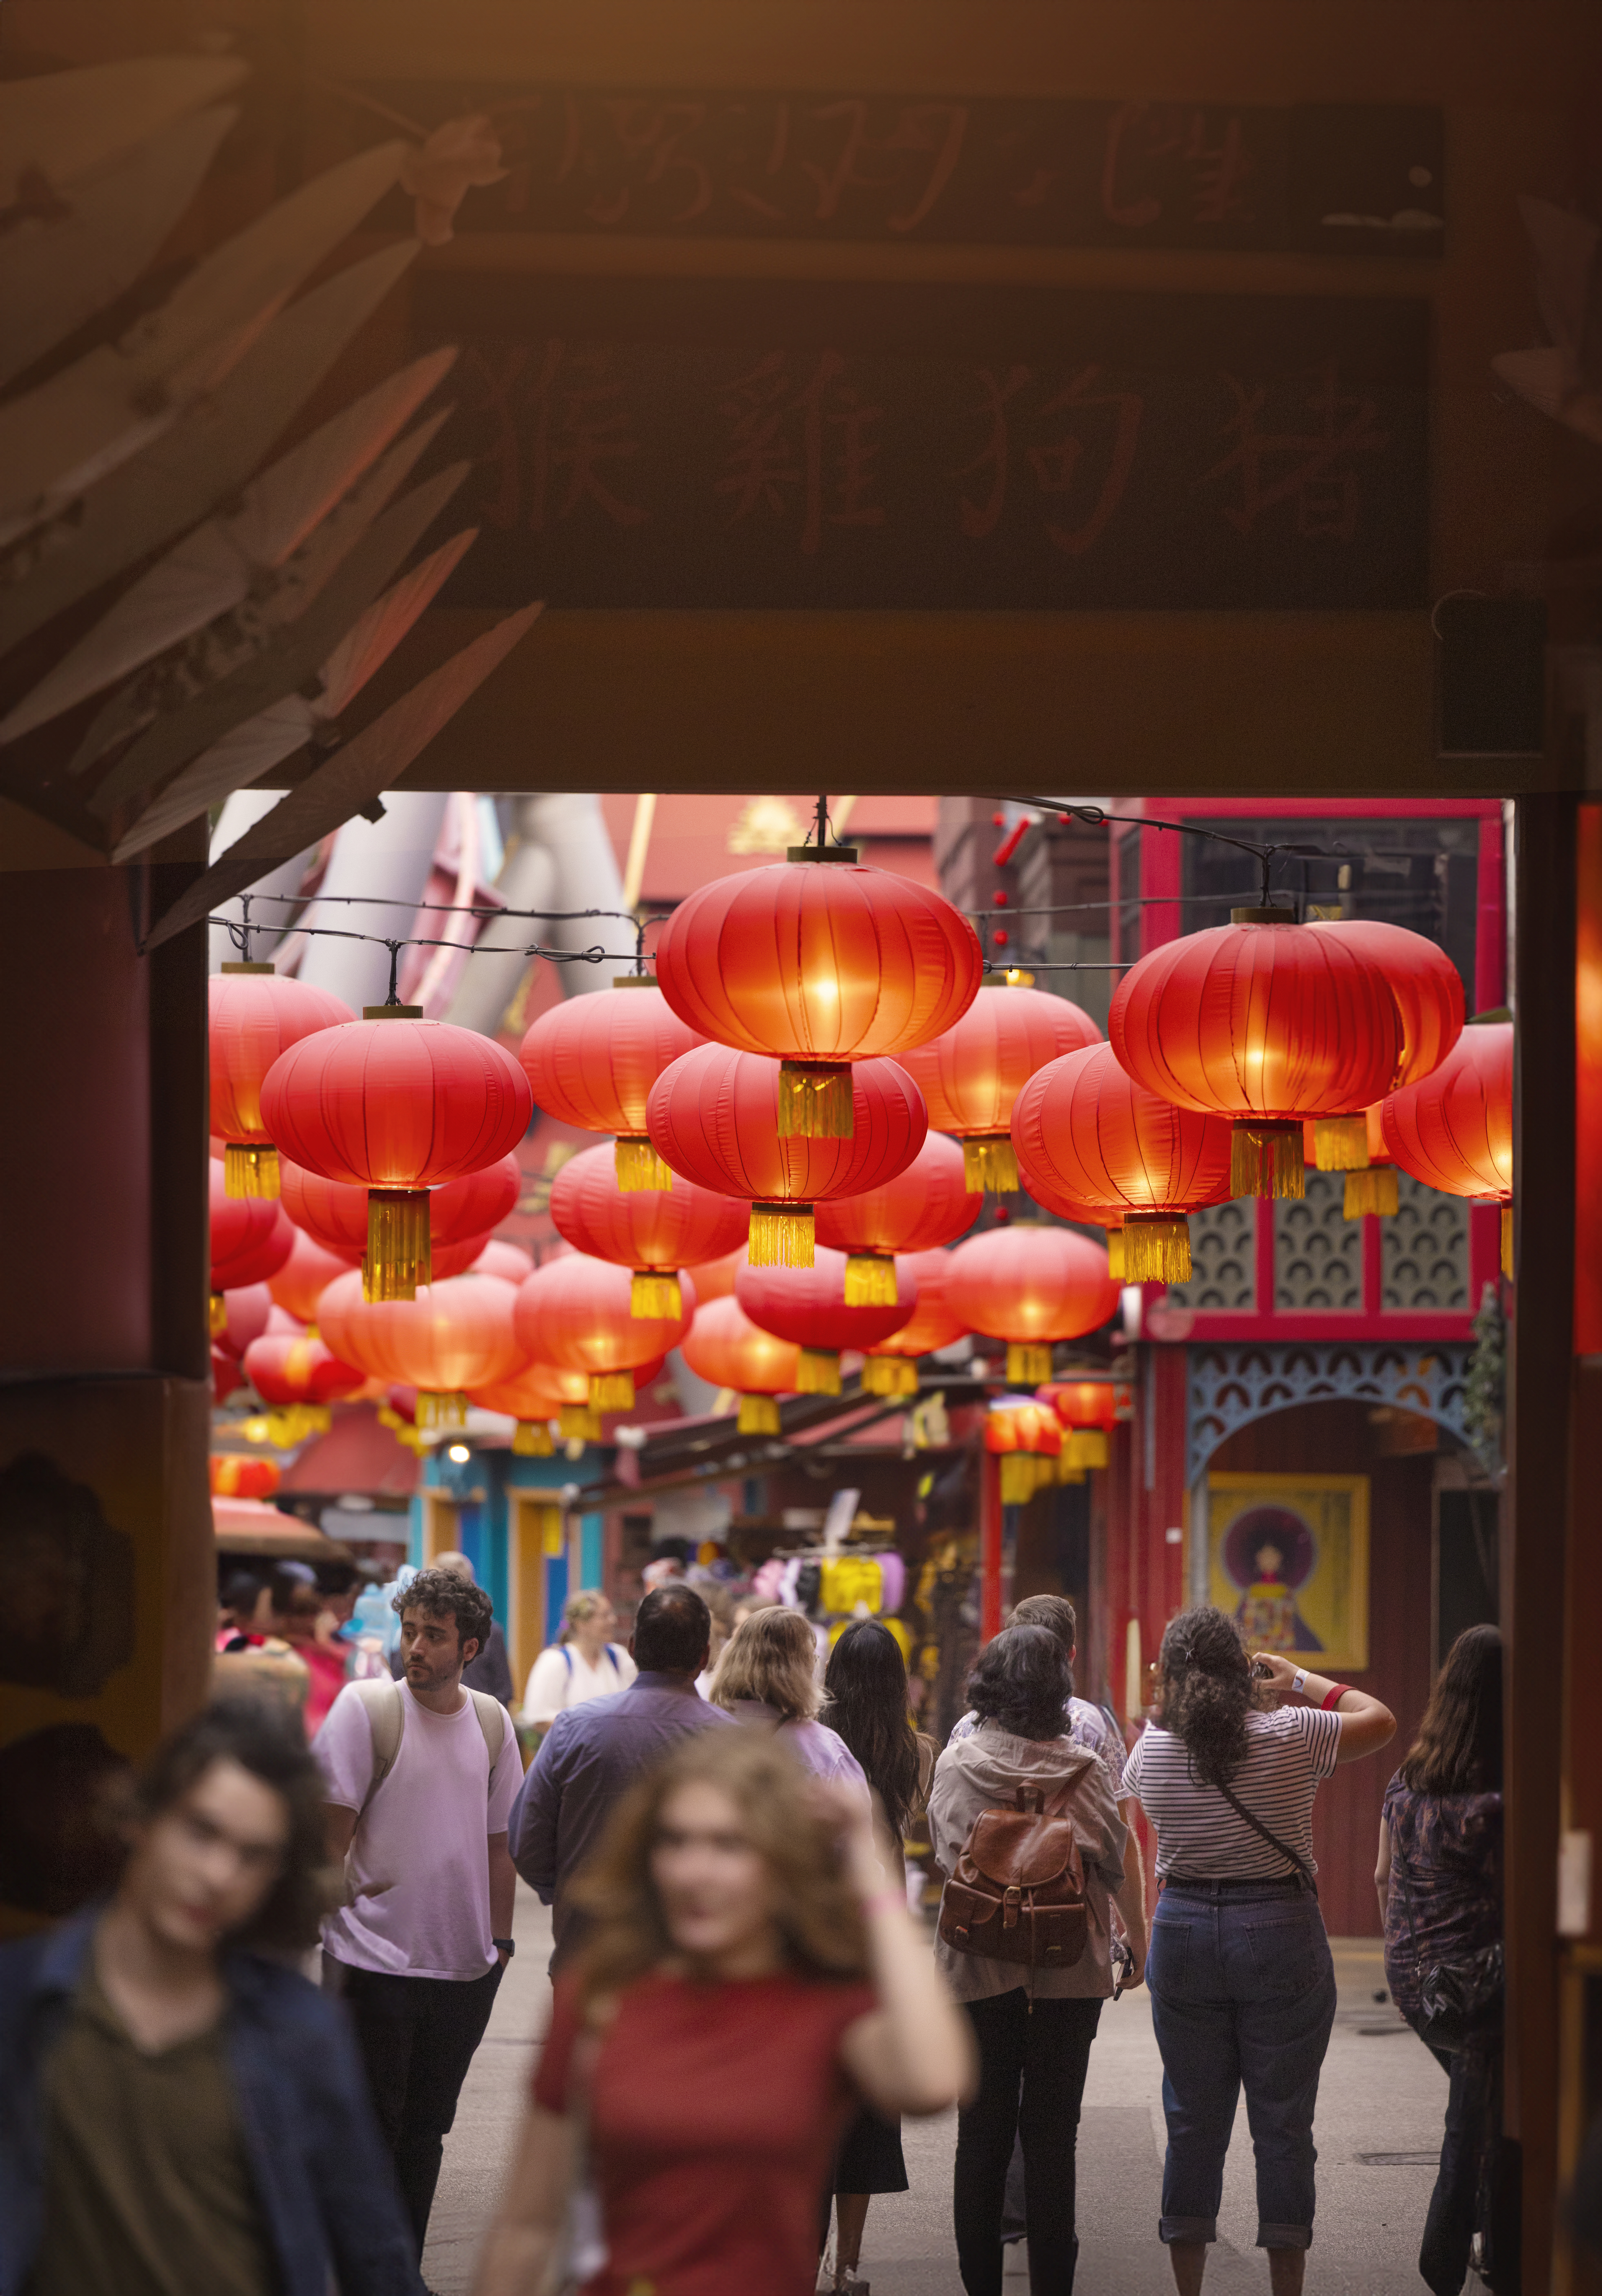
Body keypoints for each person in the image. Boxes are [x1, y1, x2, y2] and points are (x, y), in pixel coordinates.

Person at [472, 1725, 975, 2296]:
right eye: (676, 1841)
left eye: (728, 1845)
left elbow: (934, 2078)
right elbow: (528, 2225)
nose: (694, 1871)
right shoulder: (603, 1993)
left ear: (779, 1862)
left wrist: (867, 1870)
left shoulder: (822, 2000)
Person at [0, 1697, 422, 2296]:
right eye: (201, 1832)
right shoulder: (21, 1999)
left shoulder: (299, 2033)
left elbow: (373, 2249)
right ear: (141, 1820)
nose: (219, 1874)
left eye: (253, 1856)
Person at [1125, 1606, 1397, 2296]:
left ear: (1175, 1675)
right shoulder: (1291, 1730)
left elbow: (1151, 1772)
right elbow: (1381, 1718)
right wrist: (1299, 1678)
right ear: (1242, 1666)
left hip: (1183, 1926)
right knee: (1283, 2124)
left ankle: (1188, 2285)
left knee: (1191, 2119)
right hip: (1278, 1925)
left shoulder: (1152, 1749)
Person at [314, 1563, 523, 2256]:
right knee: (370, 2125)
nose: (416, 1646)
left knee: (427, 2127)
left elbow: (500, 1845)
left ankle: (402, 2267)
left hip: (462, 1966)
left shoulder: (491, 1722)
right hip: (369, 1958)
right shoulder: (365, 1709)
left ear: (469, 1648)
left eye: (435, 1634)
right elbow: (328, 1841)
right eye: (410, 1631)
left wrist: (500, 1946)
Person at [929, 1623, 1141, 2296]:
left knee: (982, 2134)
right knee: (1054, 2137)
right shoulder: (1087, 1769)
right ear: (1059, 1689)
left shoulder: (959, 1763)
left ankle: (983, 2287)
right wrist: (1134, 1936)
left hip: (978, 1971)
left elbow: (945, 1855)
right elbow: (1113, 1858)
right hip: (1066, 1973)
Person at [1375, 1624, 1505, 2296]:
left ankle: (1487, 2230)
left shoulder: (1409, 1778)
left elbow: (1380, 1876)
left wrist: (1401, 1948)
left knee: (1483, 2101)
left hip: (1411, 1980)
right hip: (1477, 1982)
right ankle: (1447, 2258)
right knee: (1472, 2116)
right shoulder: (1499, 1802)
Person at [510, 1583, 730, 1970]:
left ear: (632, 1648)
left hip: (587, 1951)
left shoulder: (574, 1728)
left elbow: (527, 1838)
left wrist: (569, 1891)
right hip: (696, 1967)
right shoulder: (735, 1744)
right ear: (704, 1657)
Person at [818, 1618, 942, 2293]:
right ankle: (851, 2263)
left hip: (823, 1930)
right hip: (884, 1939)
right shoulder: (917, 1751)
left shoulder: (813, 1743)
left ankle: (800, 2252)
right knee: (868, 2107)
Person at [708, 1604, 870, 1802]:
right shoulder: (824, 1749)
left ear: (734, 1657)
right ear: (802, 1669)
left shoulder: (703, 1731)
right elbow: (858, 1824)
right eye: (813, 1658)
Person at [519, 1588, 635, 1740]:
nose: (613, 1620)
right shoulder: (555, 1661)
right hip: (572, 1757)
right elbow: (539, 1719)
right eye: (604, 1616)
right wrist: (591, 1735)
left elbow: (635, 1704)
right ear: (582, 1624)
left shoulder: (619, 1657)